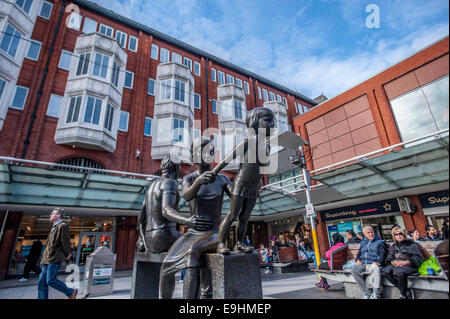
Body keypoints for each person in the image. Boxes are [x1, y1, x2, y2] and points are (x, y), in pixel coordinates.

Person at [159, 137, 232, 299]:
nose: (208, 154)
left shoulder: (223, 179)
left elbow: (237, 199)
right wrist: (198, 182)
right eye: (203, 150)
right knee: (166, 265)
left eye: (211, 151)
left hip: (214, 232)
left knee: (193, 251)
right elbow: (187, 195)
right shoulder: (189, 179)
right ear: (194, 155)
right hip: (192, 233)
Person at [215, 107, 275, 254]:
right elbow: (227, 159)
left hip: (254, 185)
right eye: (268, 121)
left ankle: (239, 243)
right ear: (255, 122)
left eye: (273, 121)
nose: (272, 124)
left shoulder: (267, 146)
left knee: (245, 217)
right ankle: (221, 243)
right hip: (241, 182)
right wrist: (214, 172)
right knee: (232, 215)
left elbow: (261, 169)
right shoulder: (247, 143)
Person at [137, 156, 182, 253]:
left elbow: (141, 219)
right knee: (197, 239)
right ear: (176, 168)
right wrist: (188, 221)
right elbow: (166, 210)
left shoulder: (150, 187)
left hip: (149, 240)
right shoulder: (170, 182)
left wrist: (143, 239)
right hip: (166, 236)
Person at [38, 208, 77, 299]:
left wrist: (67, 254)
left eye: (53, 213)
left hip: (54, 258)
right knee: (42, 282)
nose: (50, 215)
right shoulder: (54, 227)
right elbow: (49, 244)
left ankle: (71, 292)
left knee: (50, 280)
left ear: (58, 215)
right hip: (46, 259)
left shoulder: (62, 226)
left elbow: (65, 242)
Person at [382, 226, 424, 299]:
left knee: (401, 273)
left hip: (409, 265)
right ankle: (406, 290)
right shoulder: (394, 246)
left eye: (400, 234)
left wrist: (407, 262)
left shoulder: (411, 245)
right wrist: (392, 262)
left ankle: (403, 295)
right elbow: (390, 256)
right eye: (396, 234)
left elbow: (419, 257)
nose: (398, 236)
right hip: (397, 265)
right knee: (385, 272)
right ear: (394, 236)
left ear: (404, 235)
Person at [351, 226, 386, 299]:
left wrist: (378, 262)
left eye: (372, 232)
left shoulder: (380, 242)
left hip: (373, 264)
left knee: (376, 269)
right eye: (368, 233)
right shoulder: (363, 242)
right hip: (363, 264)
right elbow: (359, 253)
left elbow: (383, 254)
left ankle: (376, 294)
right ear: (364, 234)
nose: (371, 234)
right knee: (354, 269)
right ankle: (367, 293)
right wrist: (357, 260)